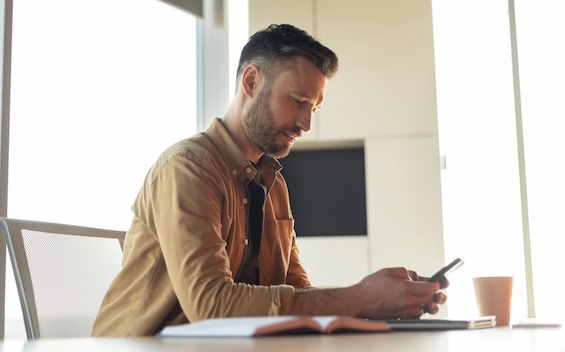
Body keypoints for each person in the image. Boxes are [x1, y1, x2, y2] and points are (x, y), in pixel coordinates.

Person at [91, 23, 448, 337]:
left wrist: (382, 302)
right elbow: (211, 305)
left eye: (314, 109)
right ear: (251, 81)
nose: (307, 123)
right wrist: (358, 297)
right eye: (298, 101)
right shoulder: (187, 169)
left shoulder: (273, 185)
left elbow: (296, 290)